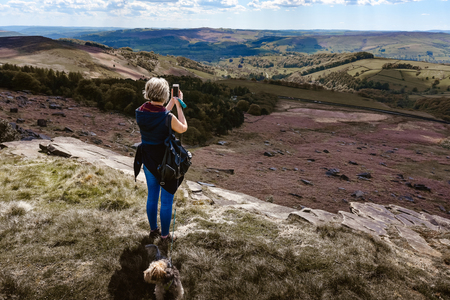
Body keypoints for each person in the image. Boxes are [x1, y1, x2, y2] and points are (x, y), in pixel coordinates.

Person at [134, 77, 188, 245]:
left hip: (148, 159)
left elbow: (158, 114)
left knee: (152, 196)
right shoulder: (168, 116)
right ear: (165, 94)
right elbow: (183, 127)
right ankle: (165, 236)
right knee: (166, 201)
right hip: (166, 163)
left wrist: (170, 103)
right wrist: (179, 105)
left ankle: (153, 230)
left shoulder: (140, 112)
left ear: (148, 92)